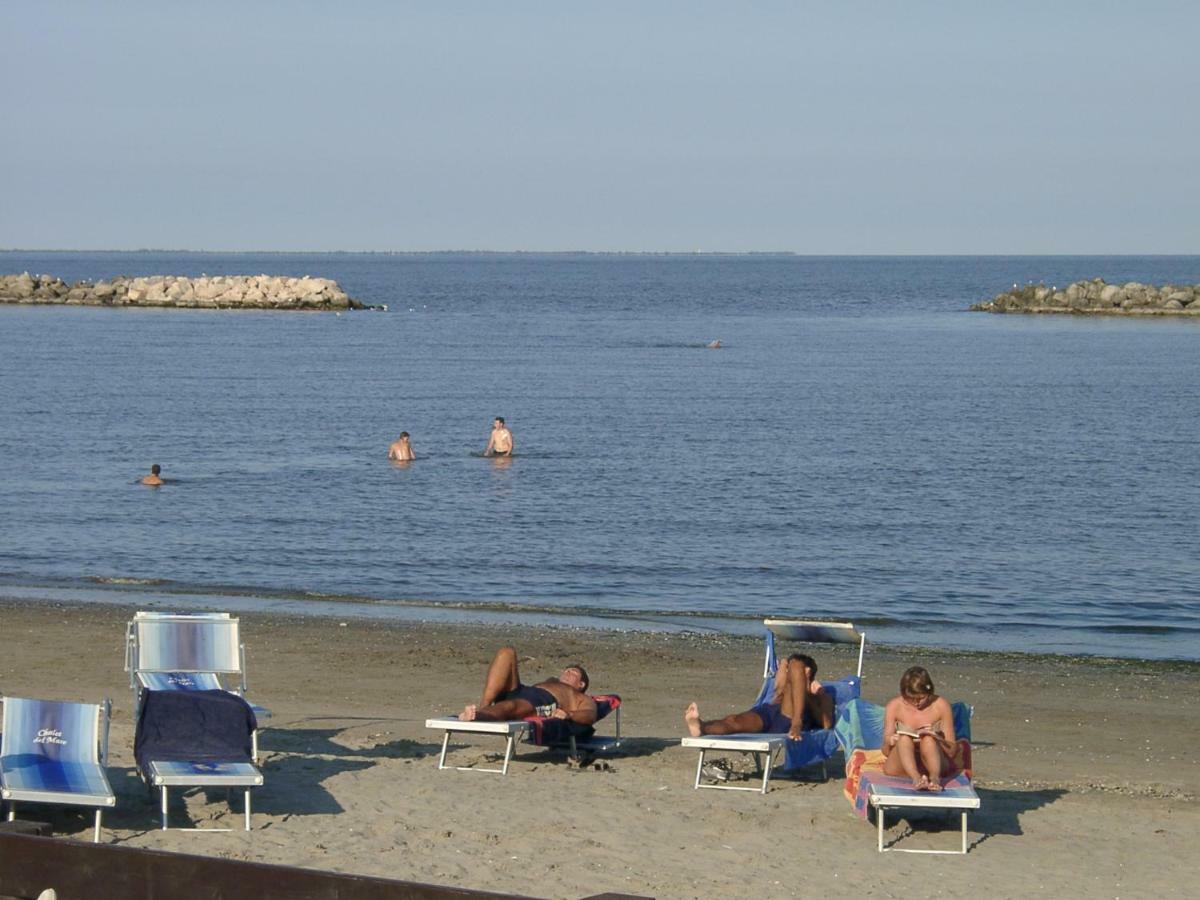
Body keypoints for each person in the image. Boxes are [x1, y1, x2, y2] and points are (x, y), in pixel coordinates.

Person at [684, 653, 833, 741]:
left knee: (795, 663)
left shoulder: (819, 695)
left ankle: (796, 722)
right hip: (769, 712)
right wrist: (783, 664)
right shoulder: (781, 689)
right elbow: (779, 684)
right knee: (733, 721)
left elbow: (826, 725)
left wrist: (812, 694)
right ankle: (702, 727)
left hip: (790, 718)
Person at [459, 646, 596, 726]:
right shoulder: (552, 681)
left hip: (544, 701)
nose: (567, 671)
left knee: (512, 706)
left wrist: (568, 714)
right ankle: (485, 706)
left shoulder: (580, 697)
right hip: (526, 690)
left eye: (573, 672)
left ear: (581, 684)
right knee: (507, 652)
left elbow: (590, 714)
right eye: (566, 669)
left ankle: (477, 716)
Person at [881, 666, 957, 791]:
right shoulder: (894, 706)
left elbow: (953, 750)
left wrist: (938, 738)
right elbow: (885, 751)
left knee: (928, 739)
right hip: (903, 765)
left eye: (921, 698)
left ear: (929, 691)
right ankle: (916, 778)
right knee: (904, 738)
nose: (916, 703)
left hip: (933, 762)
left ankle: (934, 778)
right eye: (910, 699)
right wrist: (891, 741)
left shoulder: (940, 705)